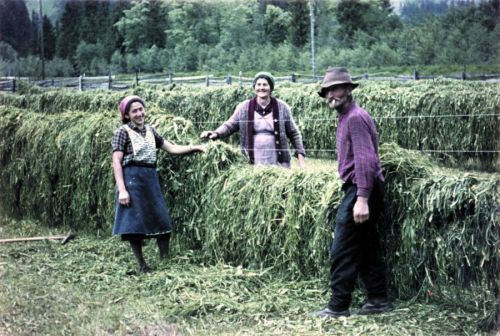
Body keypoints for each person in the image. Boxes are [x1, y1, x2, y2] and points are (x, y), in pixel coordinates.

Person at [312, 67, 392, 317]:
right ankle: (378, 299)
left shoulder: (355, 117)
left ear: (348, 89)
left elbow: (365, 160)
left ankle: (338, 306)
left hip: (362, 187)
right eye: (327, 91)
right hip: (361, 186)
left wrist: (362, 198)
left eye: (335, 89)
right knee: (365, 244)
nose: (330, 95)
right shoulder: (347, 116)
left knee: (343, 247)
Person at [112, 95, 205, 274]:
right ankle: (142, 265)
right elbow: (116, 162)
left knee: (161, 219)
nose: (139, 114)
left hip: (149, 178)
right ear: (126, 115)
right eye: (134, 111)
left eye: (141, 109)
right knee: (134, 224)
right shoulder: (122, 132)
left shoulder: (150, 130)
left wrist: (194, 147)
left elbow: (171, 148)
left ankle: (165, 261)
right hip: (132, 179)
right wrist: (123, 190)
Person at [200, 72, 306, 168]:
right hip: (253, 161)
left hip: (278, 161)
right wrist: (216, 133)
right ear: (254, 87)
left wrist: (301, 160)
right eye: (258, 85)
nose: (261, 88)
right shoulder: (244, 107)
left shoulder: (282, 107)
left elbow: (294, 133)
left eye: (265, 85)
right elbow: (230, 125)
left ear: (271, 87)